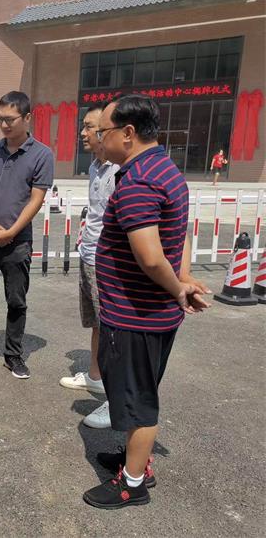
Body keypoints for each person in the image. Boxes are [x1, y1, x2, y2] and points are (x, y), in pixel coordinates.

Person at [83, 94, 209, 509]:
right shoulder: (166, 170)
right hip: (153, 314)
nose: (98, 138)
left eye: (103, 131)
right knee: (140, 390)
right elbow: (180, 234)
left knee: (137, 400)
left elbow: (151, 256)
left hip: (136, 315)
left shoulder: (138, 181)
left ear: (127, 133)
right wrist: (183, 279)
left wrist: (177, 288)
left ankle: (133, 483)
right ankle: (134, 461)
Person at [0, 91, 54, 380]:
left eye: (10, 119)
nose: (4, 125)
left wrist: (11, 232)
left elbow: (36, 200)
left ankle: (13, 355)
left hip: (17, 241)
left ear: (27, 117)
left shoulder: (42, 154)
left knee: (16, 301)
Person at [59, 103, 118, 429]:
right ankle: (96, 377)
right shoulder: (95, 167)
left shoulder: (120, 170)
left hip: (109, 262)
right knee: (97, 322)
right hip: (89, 255)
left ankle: (117, 398)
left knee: (113, 329)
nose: (82, 133)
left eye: (89, 127)